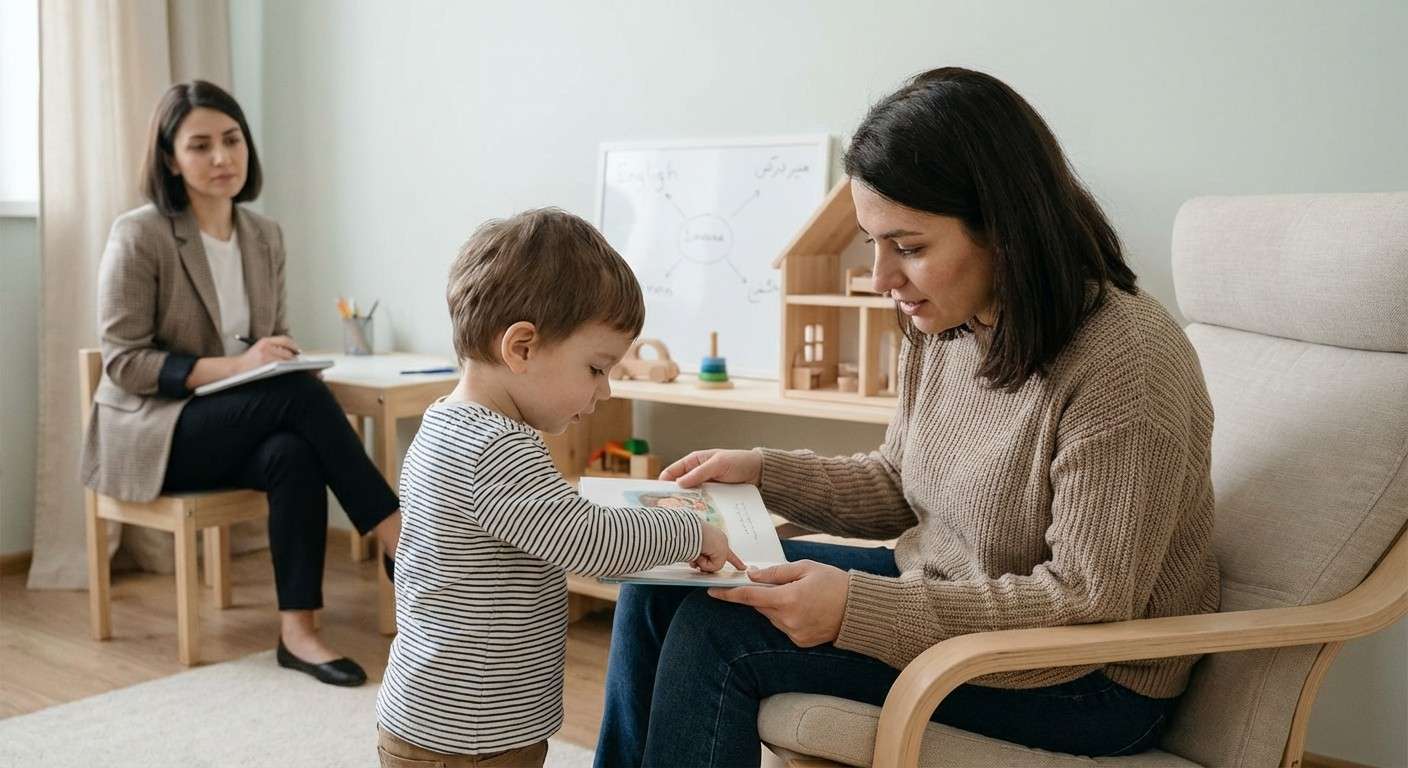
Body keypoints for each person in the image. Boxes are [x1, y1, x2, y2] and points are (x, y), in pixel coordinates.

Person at [595, 67, 1221, 766]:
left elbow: (1087, 599)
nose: (881, 278)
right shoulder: (948, 325)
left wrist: (858, 609)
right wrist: (765, 475)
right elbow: (901, 482)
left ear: (1004, 229)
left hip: (1088, 678)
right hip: (945, 597)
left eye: (910, 248)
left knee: (720, 632)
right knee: (666, 578)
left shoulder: (1125, 361)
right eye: (874, 243)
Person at [374, 208, 742, 768]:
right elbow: (590, 543)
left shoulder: (447, 421)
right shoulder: (496, 449)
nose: (608, 390)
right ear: (521, 348)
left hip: (447, 721)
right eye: (596, 368)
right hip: (471, 738)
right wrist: (688, 531)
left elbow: (548, 520)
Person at [81, 80, 402, 687]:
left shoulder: (264, 236)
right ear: (170, 160)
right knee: (301, 396)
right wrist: (241, 367)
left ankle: (299, 634)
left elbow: (267, 341)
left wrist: (270, 359)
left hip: (236, 425)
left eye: (231, 140)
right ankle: (396, 533)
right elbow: (124, 362)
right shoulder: (139, 234)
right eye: (199, 146)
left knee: (294, 450)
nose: (222, 157)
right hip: (157, 433)